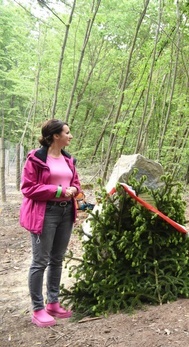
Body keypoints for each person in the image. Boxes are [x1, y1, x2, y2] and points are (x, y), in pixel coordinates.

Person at [20, 119, 81, 328]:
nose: (70, 136)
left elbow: (75, 182)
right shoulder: (36, 158)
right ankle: (38, 309)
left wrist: (74, 190)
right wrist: (58, 191)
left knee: (57, 259)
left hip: (66, 212)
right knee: (40, 261)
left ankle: (53, 303)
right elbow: (28, 188)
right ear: (56, 136)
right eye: (67, 132)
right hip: (44, 213)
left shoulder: (69, 159)